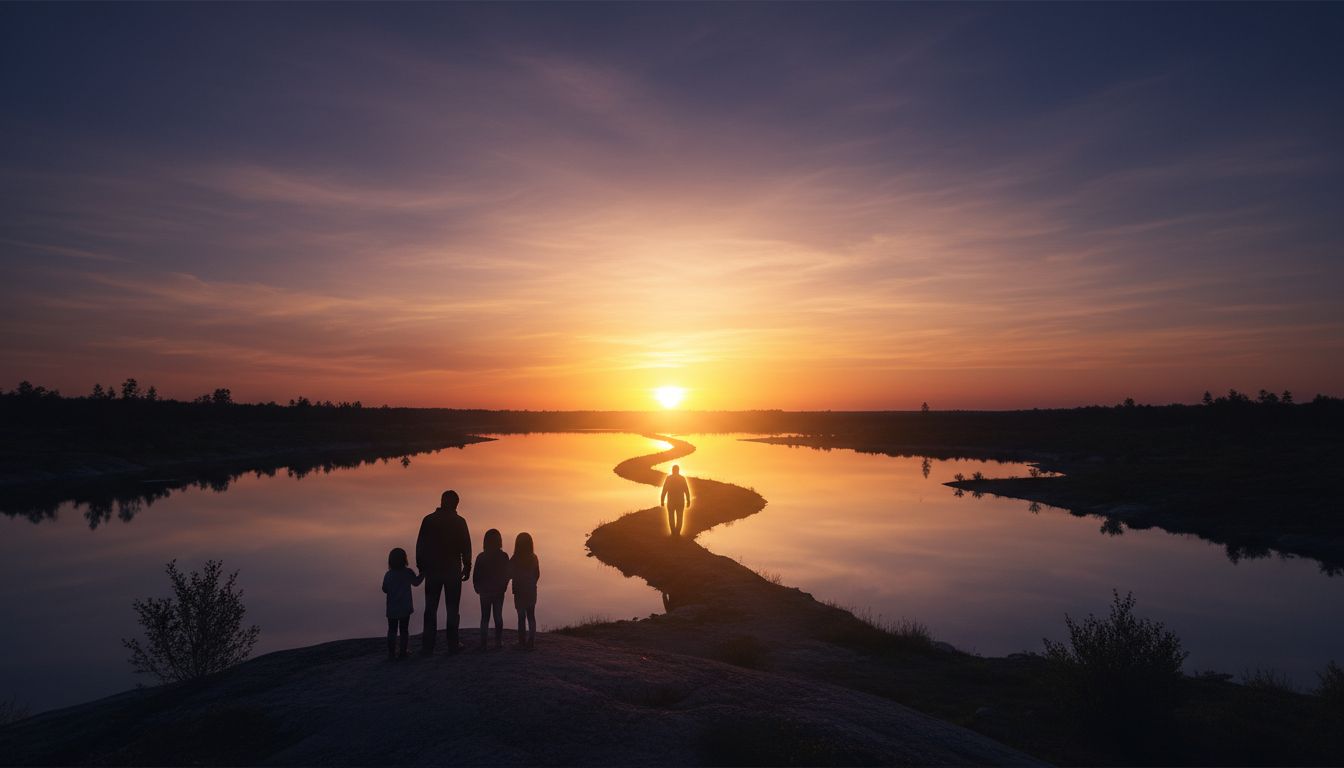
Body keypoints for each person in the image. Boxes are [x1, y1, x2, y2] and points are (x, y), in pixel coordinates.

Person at [415, 489, 472, 655]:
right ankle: (453, 644)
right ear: (456, 504)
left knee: (430, 608)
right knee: (452, 609)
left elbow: (420, 545)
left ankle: (428, 646)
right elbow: (466, 546)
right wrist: (467, 566)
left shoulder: (429, 520)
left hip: (432, 570)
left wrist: (421, 566)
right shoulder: (459, 522)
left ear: (442, 501)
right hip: (452, 571)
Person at [472, 528, 511, 651]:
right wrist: (504, 587)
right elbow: (508, 574)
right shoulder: (504, 556)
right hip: (498, 592)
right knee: (498, 616)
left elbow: (476, 575)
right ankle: (498, 642)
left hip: (485, 592)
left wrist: (477, 588)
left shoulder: (481, 556)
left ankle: (483, 643)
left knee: (485, 617)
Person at [382, 547, 424, 661]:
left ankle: (391, 653)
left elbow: (384, 589)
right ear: (404, 559)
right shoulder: (408, 572)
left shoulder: (388, 574)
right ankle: (403, 651)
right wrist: (423, 574)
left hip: (392, 608)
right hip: (405, 607)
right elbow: (416, 582)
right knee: (404, 630)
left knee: (392, 630)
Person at [509, 532, 540, 650]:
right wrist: (532, 583)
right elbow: (537, 574)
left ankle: (521, 641)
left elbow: (509, 573)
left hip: (519, 591)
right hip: (531, 591)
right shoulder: (534, 557)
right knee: (531, 616)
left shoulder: (515, 558)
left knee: (521, 617)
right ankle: (531, 641)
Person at [660, 464, 691, 537]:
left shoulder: (669, 478)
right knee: (680, 517)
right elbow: (686, 490)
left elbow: (664, 489)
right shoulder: (682, 478)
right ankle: (677, 533)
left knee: (671, 517)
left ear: (672, 470)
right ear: (678, 470)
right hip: (680, 501)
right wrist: (688, 500)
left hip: (671, 501)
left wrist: (662, 500)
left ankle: (673, 533)